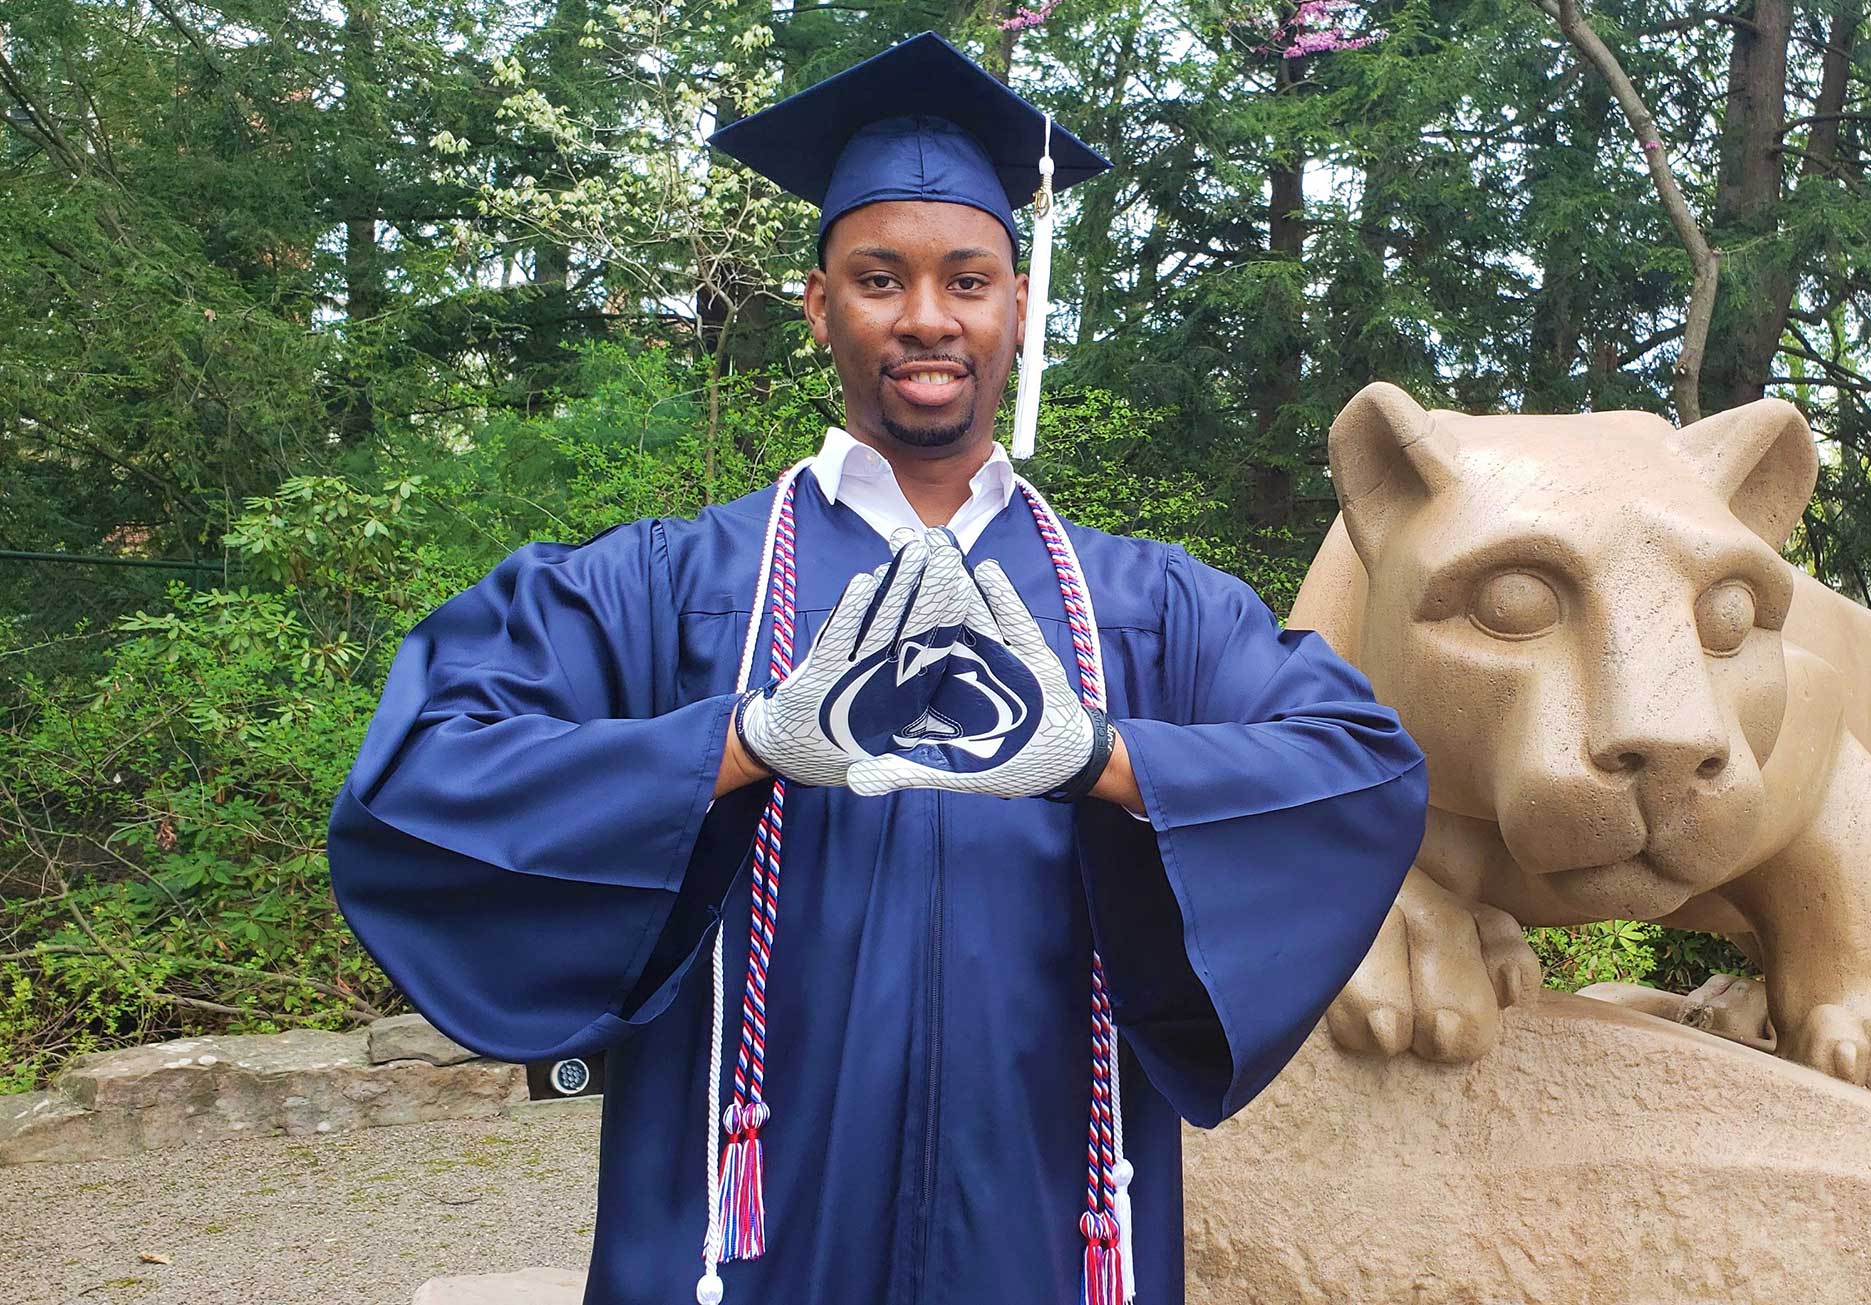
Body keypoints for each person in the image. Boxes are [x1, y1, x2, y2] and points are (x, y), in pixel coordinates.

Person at [326, 31, 1427, 1305]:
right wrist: (740, 748)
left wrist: (1105, 759)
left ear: (1017, 304)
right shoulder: (667, 585)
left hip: (1045, 1205)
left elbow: (1355, 765)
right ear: (819, 305)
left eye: (967, 280)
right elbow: (424, 770)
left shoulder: (1150, 604)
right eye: (878, 278)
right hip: (748, 1214)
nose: (925, 317)